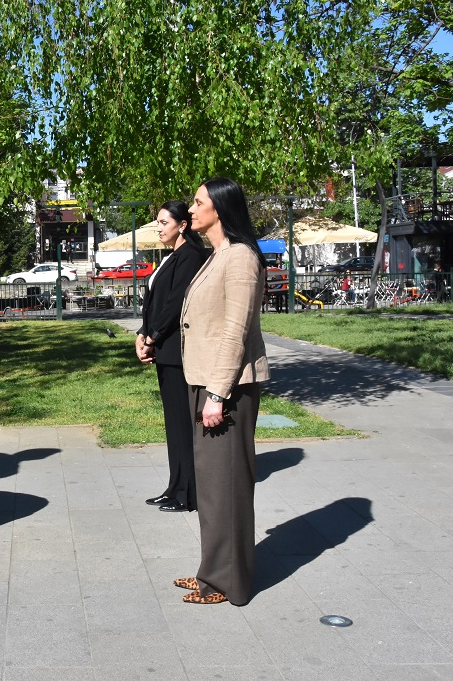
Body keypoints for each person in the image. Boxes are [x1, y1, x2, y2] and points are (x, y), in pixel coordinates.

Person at [175, 177, 270, 606]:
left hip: (226, 387)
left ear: (220, 208)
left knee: (226, 486)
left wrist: (217, 394)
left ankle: (227, 583)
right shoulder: (219, 254)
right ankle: (211, 570)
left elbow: (235, 330)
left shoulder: (240, 257)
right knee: (213, 487)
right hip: (207, 381)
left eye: (198, 203)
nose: (191, 209)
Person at [135, 201, 208, 513]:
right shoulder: (171, 256)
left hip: (178, 352)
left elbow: (176, 303)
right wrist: (142, 333)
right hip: (164, 350)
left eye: (164, 222)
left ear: (183, 225)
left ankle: (188, 493)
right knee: (173, 425)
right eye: (158, 222)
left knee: (182, 424)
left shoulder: (190, 256)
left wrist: (152, 337)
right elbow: (155, 303)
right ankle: (174, 487)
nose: (159, 228)